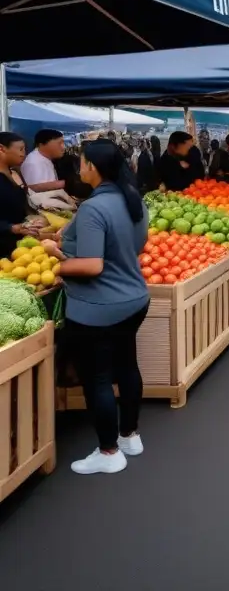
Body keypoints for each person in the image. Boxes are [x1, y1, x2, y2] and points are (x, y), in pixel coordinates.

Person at [42, 139, 149, 475]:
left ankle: (108, 452)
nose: (80, 167)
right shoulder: (133, 200)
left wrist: (57, 260)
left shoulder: (93, 208)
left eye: (83, 162)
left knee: (98, 378)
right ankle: (130, 436)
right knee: (127, 367)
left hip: (98, 307)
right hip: (134, 299)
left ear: (93, 167)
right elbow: (136, 246)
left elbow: (91, 266)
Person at [0, 132, 39, 259]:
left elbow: (20, 203)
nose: (24, 154)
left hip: (19, 245)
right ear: (2, 149)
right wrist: (12, 228)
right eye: (20, 149)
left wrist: (32, 218)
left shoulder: (16, 173)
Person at [21, 129, 66, 193]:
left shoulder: (44, 159)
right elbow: (33, 189)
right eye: (59, 143)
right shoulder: (34, 162)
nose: (63, 147)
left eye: (63, 143)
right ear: (42, 144)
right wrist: (65, 183)